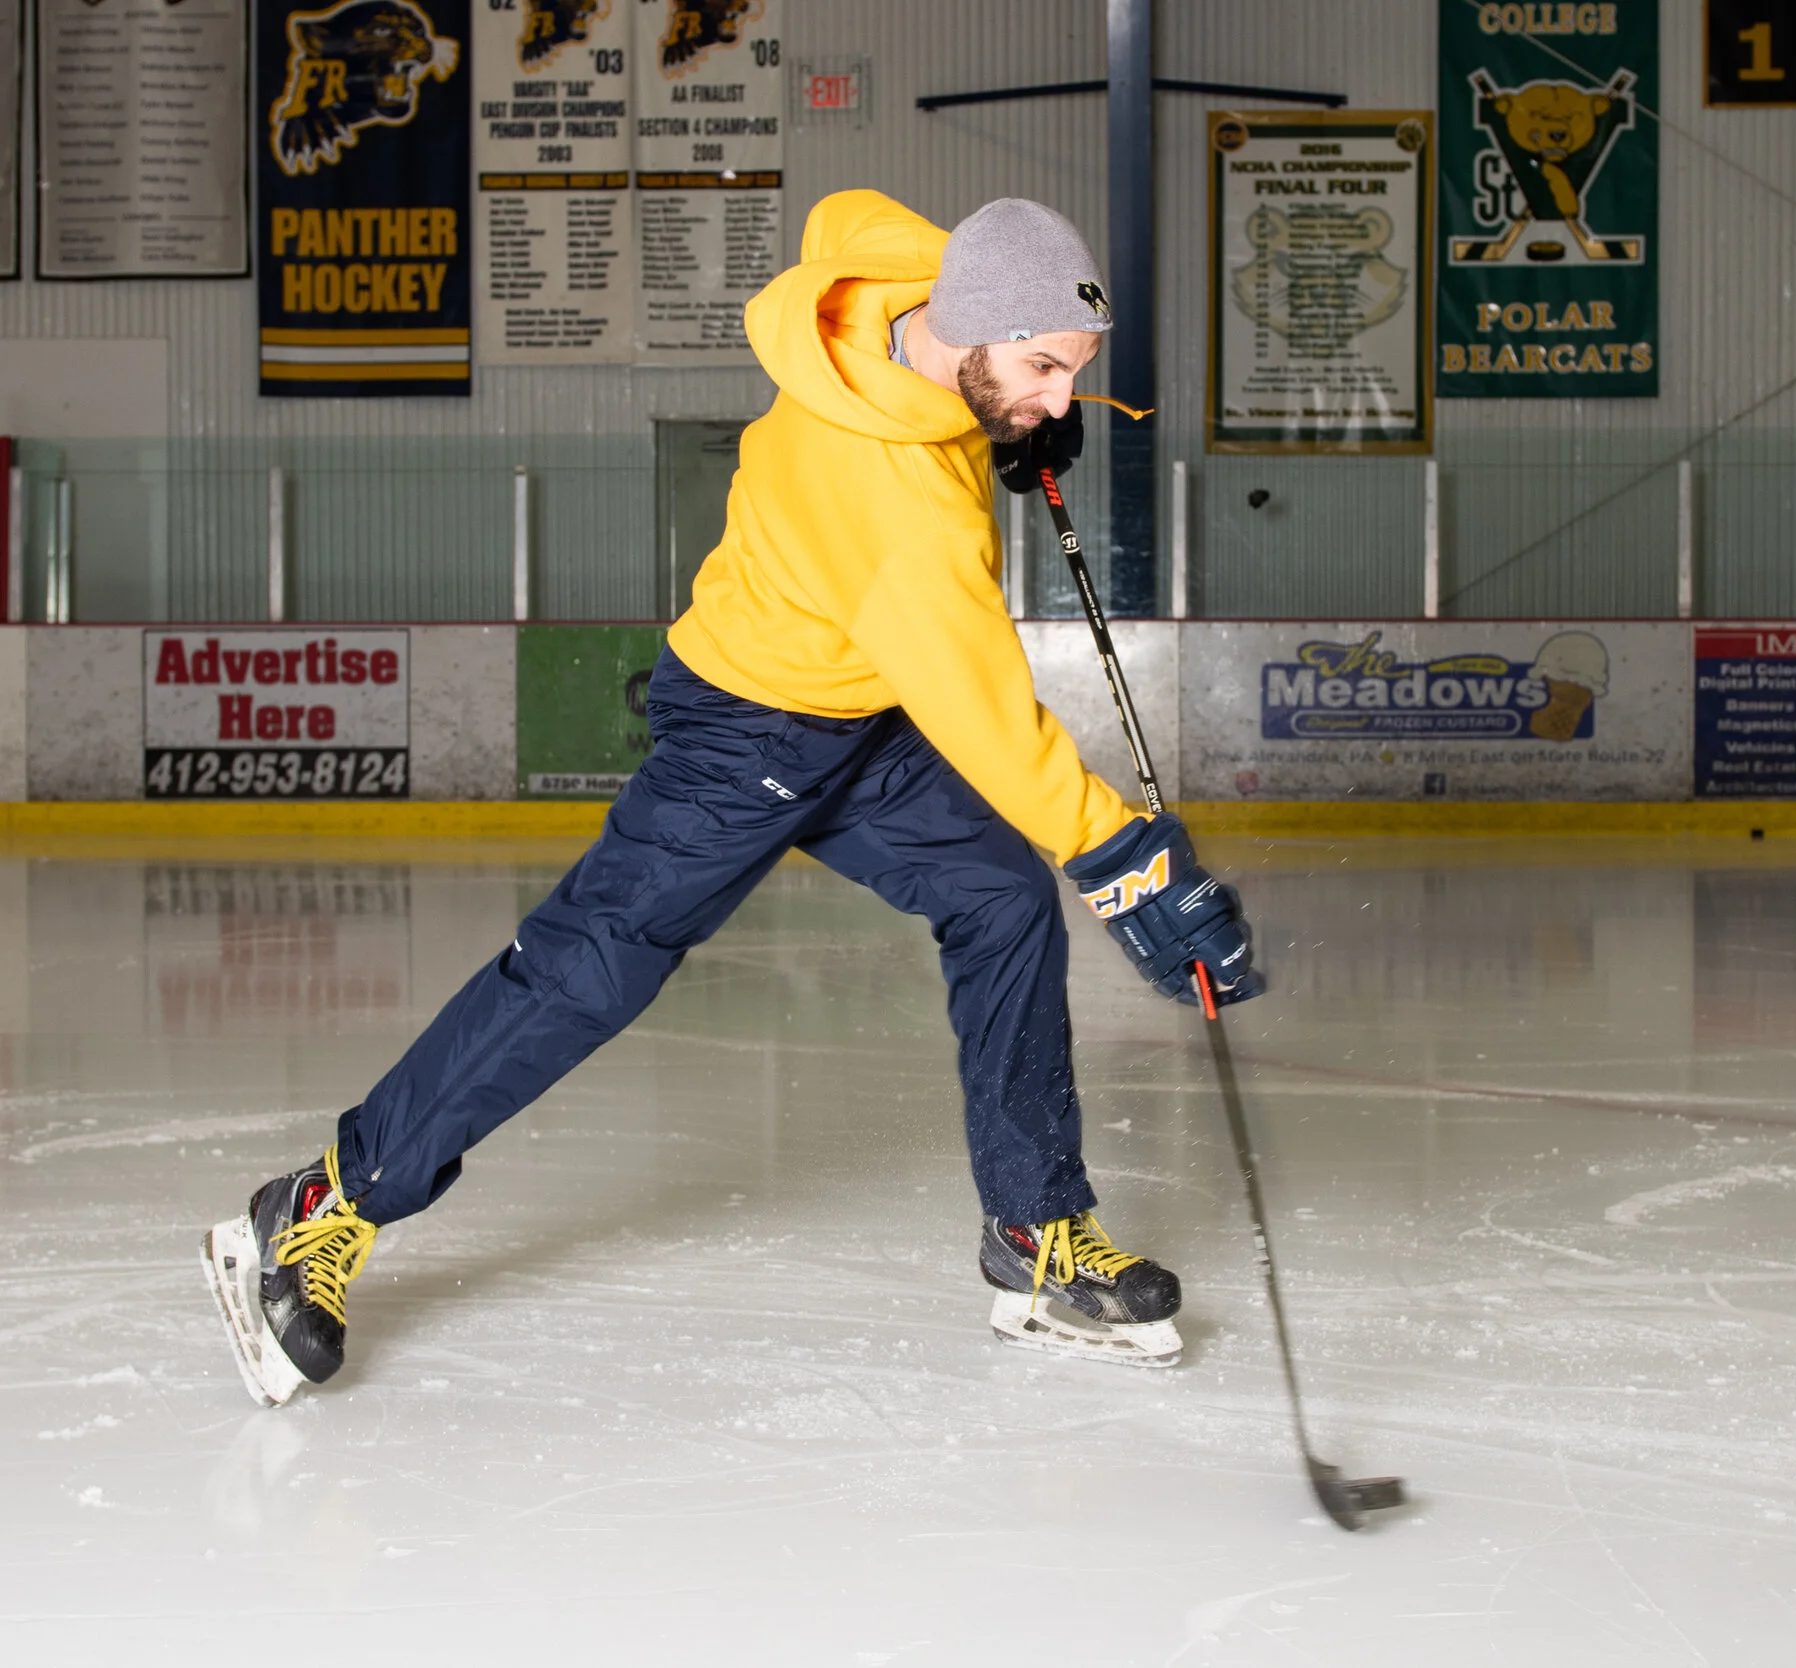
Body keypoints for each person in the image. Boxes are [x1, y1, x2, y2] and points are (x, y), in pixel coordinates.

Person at [201, 191, 1263, 1407]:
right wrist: (1127, 860)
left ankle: (1034, 1230)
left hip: (855, 714)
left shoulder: (909, 286)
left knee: (1000, 901)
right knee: (588, 969)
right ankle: (321, 1203)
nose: (1062, 403)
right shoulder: (896, 507)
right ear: (973, 329)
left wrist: (1001, 426)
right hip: (746, 731)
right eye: (1043, 371)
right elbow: (985, 717)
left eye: (1071, 374)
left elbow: (846, 216)